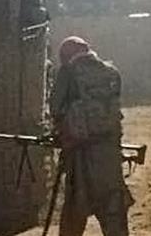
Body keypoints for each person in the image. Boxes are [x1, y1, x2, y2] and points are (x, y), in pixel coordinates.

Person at [49, 36, 133, 236]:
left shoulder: (68, 73)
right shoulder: (111, 73)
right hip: (109, 157)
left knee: (74, 214)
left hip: (80, 158)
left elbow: (55, 108)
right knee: (113, 212)